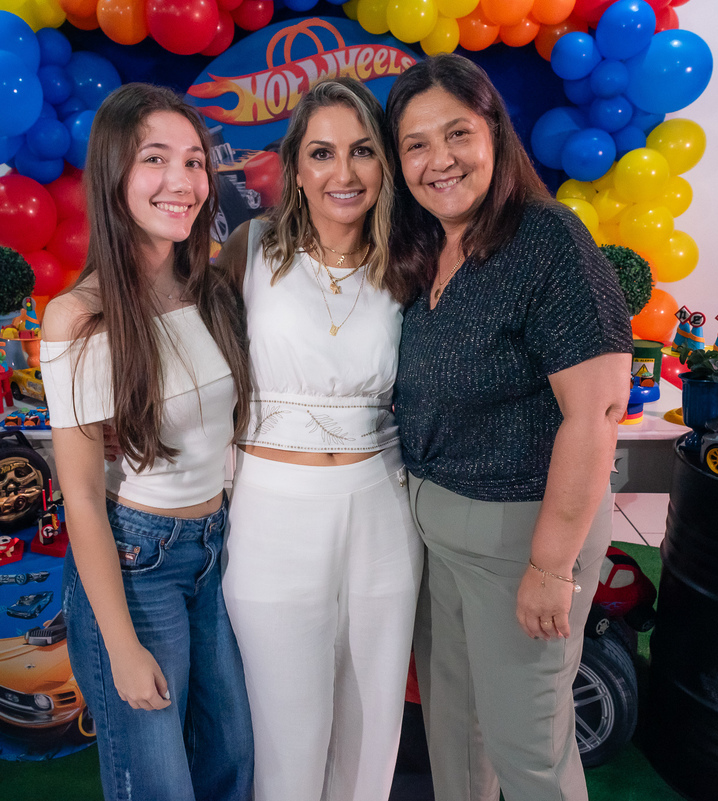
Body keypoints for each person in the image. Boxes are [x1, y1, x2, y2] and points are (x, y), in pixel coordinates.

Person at [386, 54, 634, 801]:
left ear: (494, 130)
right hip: (436, 526)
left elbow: (595, 414)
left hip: (523, 533)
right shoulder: (430, 248)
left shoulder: (546, 239)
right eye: (416, 144)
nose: (439, 160)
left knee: (529, 746)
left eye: (456, 132)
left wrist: (552, 566)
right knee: (457, 732)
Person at [39, 83, 254, 801]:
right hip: (138, 562)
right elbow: (79, 497)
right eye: (155, 158)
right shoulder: (80, 316)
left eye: (195, 161)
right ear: (113, 175)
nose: (182, 181)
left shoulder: (213, 288)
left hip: (218, 552)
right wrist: (122, 648)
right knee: (158, 783)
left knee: (231, 760)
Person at [216, 78, 423, 801]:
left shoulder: (411, 263)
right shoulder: (248, 251)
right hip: (272, 510)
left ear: (384, 164)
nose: (344, 172)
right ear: (295, 167)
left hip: (380, 508)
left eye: (363, 151)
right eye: (323, 152)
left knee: (372, 724)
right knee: (286, 727)